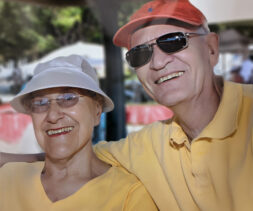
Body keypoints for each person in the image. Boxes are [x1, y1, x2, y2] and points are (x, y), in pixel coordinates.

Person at [1, 0, 253, 210]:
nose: (157, 63)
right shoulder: (146, 145)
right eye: (141, 54)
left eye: (173, 41)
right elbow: (76, 154)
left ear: (211, 48)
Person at [0, 55, 157, 211]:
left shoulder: (129, 196)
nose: (53, 115)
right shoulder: (8, 179)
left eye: (69, 98)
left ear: (97, 111)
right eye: (40, 103)